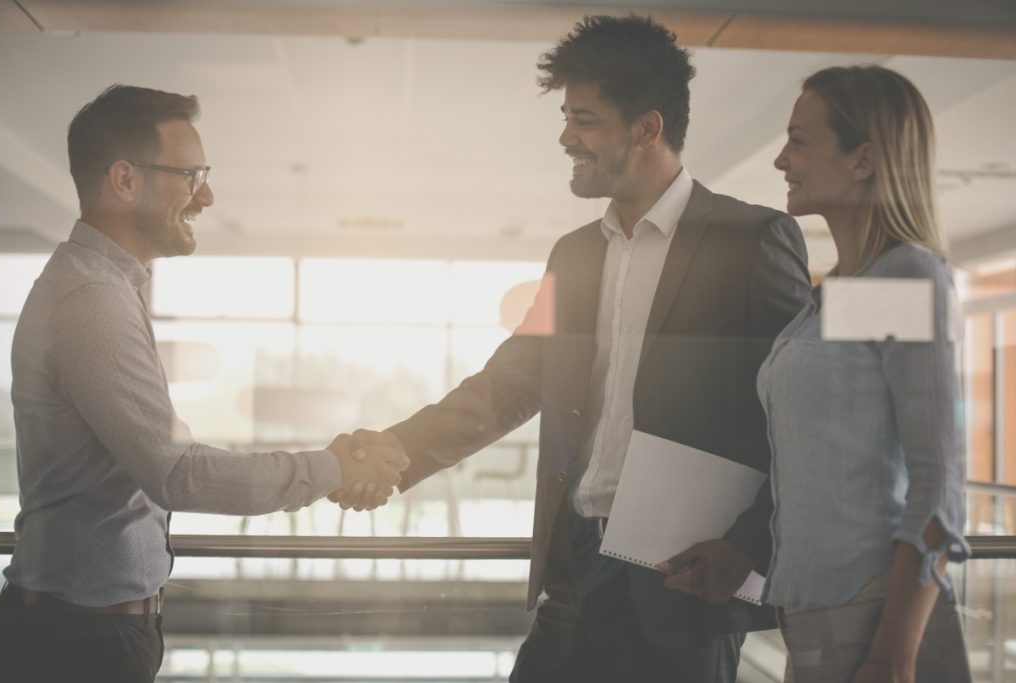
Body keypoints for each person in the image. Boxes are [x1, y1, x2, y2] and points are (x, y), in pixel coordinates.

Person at [336, 15, 811, 682]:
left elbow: (803, 418)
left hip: (684, 582)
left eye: (584, 119)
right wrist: (396, 451)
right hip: (575, 571)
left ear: (646, 128)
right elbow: (509, 383)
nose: (566, 138)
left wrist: (749, 544)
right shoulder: (575, 254)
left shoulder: (751, 240)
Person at [0, 84, 407, 683]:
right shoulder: (92, 302)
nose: (206, 195)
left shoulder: (103, 288)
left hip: (85, 628)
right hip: (75, 643)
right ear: (125, 180)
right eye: (190, 175)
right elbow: (177, 474)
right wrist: (334, 468)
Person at [756, 65, 972, 682]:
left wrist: (893, 652)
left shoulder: (909, 275)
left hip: (876, 624)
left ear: (863, 159)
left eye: (799, 140)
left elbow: (939, 483)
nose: (780, 160)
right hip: (812, 619)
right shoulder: (841, 293)